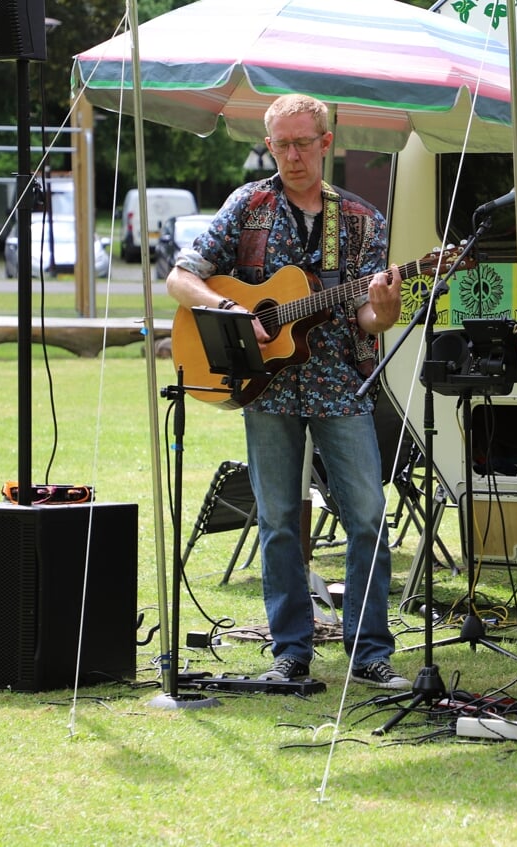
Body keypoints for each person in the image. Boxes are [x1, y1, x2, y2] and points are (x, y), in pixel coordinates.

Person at [166, 94, 409, 690]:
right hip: (265, 388)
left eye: (303, 143)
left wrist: (384, 309)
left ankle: (369, 648)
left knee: (369, 515)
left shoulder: (360, 220)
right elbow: (180, 276)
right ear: (269, 144)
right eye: (281, 144)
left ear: (327, 143)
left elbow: (368, 321)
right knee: (276, 519)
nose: (292, 155)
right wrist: (227, 307)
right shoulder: (246, 206)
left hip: (338, 384)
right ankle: (291, 649)